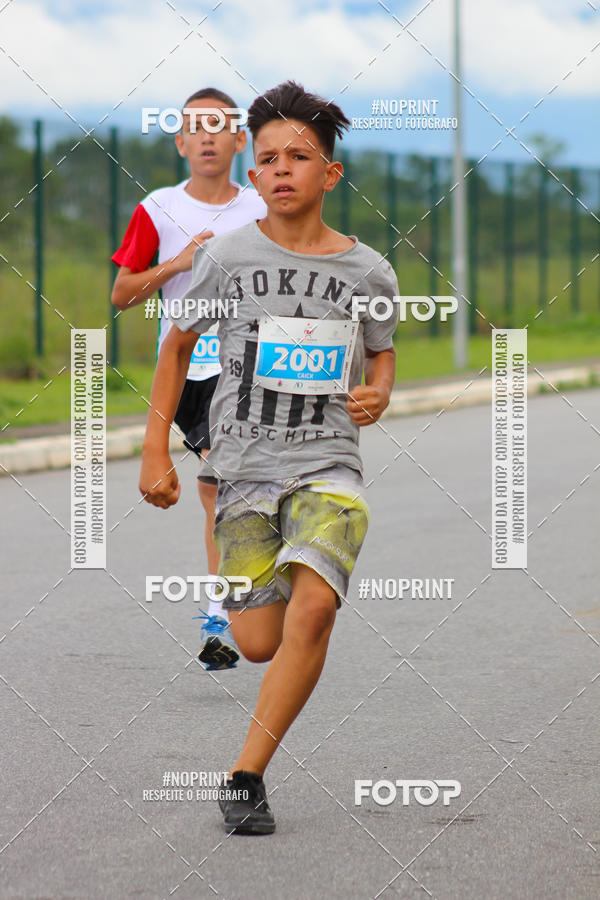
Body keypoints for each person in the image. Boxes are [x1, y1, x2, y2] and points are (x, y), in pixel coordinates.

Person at [138, 80, 399, 834]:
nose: (281, 169)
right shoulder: (224, 258)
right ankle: (274, 629)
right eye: (269, 158)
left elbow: (382, 360)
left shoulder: (369, 273)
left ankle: (245, 775)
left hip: (327, 464)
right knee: (257, 643)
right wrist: (158, 452)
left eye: (300, 156)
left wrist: (378, 392)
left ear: (330, 175)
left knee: (314, 606)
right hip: (242, 470)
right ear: (253, 175)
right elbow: (177, 349)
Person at [111, 87, 266, 669]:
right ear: (180, 142)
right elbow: (123, 294)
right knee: (219, 492)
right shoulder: (158, 209)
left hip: (253, 366)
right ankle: (221, 619)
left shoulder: (260, 208)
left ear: (237, 140)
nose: (206, 136)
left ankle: (226, 614)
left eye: (218, 126)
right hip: (189, 372)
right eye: (194, 128)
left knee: (230, 490)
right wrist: (179, 264)